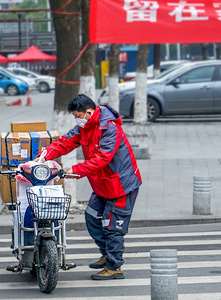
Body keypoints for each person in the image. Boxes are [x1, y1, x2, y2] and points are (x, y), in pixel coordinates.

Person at [36, 94, 142, 280]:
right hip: (102, 184)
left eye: (78, 116)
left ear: (89, 112)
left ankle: (114, 267)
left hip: (121, 185)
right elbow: (65, 142)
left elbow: (103, 158)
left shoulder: (110, 128)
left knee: (112, 227)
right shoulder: (84, 127)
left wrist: (74, 170)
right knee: (92, 218)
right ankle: (106, 253)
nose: (77, 120)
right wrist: (45, 155)